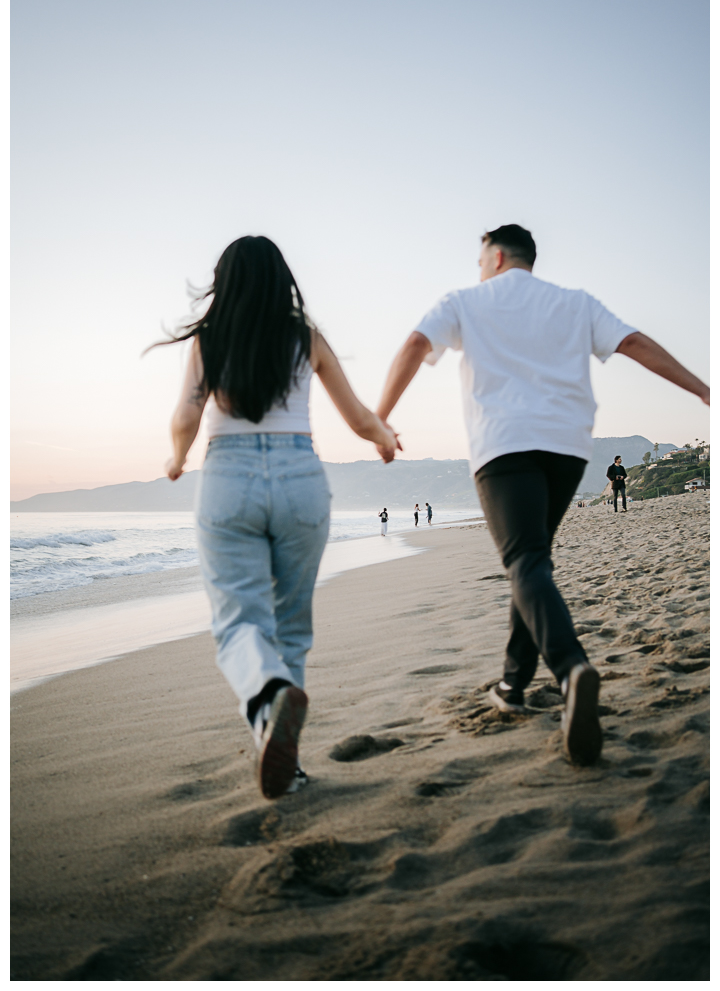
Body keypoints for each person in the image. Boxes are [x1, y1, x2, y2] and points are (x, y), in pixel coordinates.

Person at [375, 223, 709, 767]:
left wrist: (379, 419)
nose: (478, 269)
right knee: (531, 561)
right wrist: (700, 387)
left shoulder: (466, 299)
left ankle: (572, 666)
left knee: (525, 560)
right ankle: (513, 684)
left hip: (504, 448)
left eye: (480, 260)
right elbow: (634, 343)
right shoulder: (574, 302)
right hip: (567, 449)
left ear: (497, 256)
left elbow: (415, 344)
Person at [157, 236, 399, 800]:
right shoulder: (305, 336)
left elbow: (186, 413)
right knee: (290, 626)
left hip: (228, 482)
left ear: (225, 282)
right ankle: (286, 759)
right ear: (281, 279)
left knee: (240, 621)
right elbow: (360, 416)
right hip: (299, 479)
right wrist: (384, 439)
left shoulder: (208, 339)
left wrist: (175, 459)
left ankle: (267, 700)